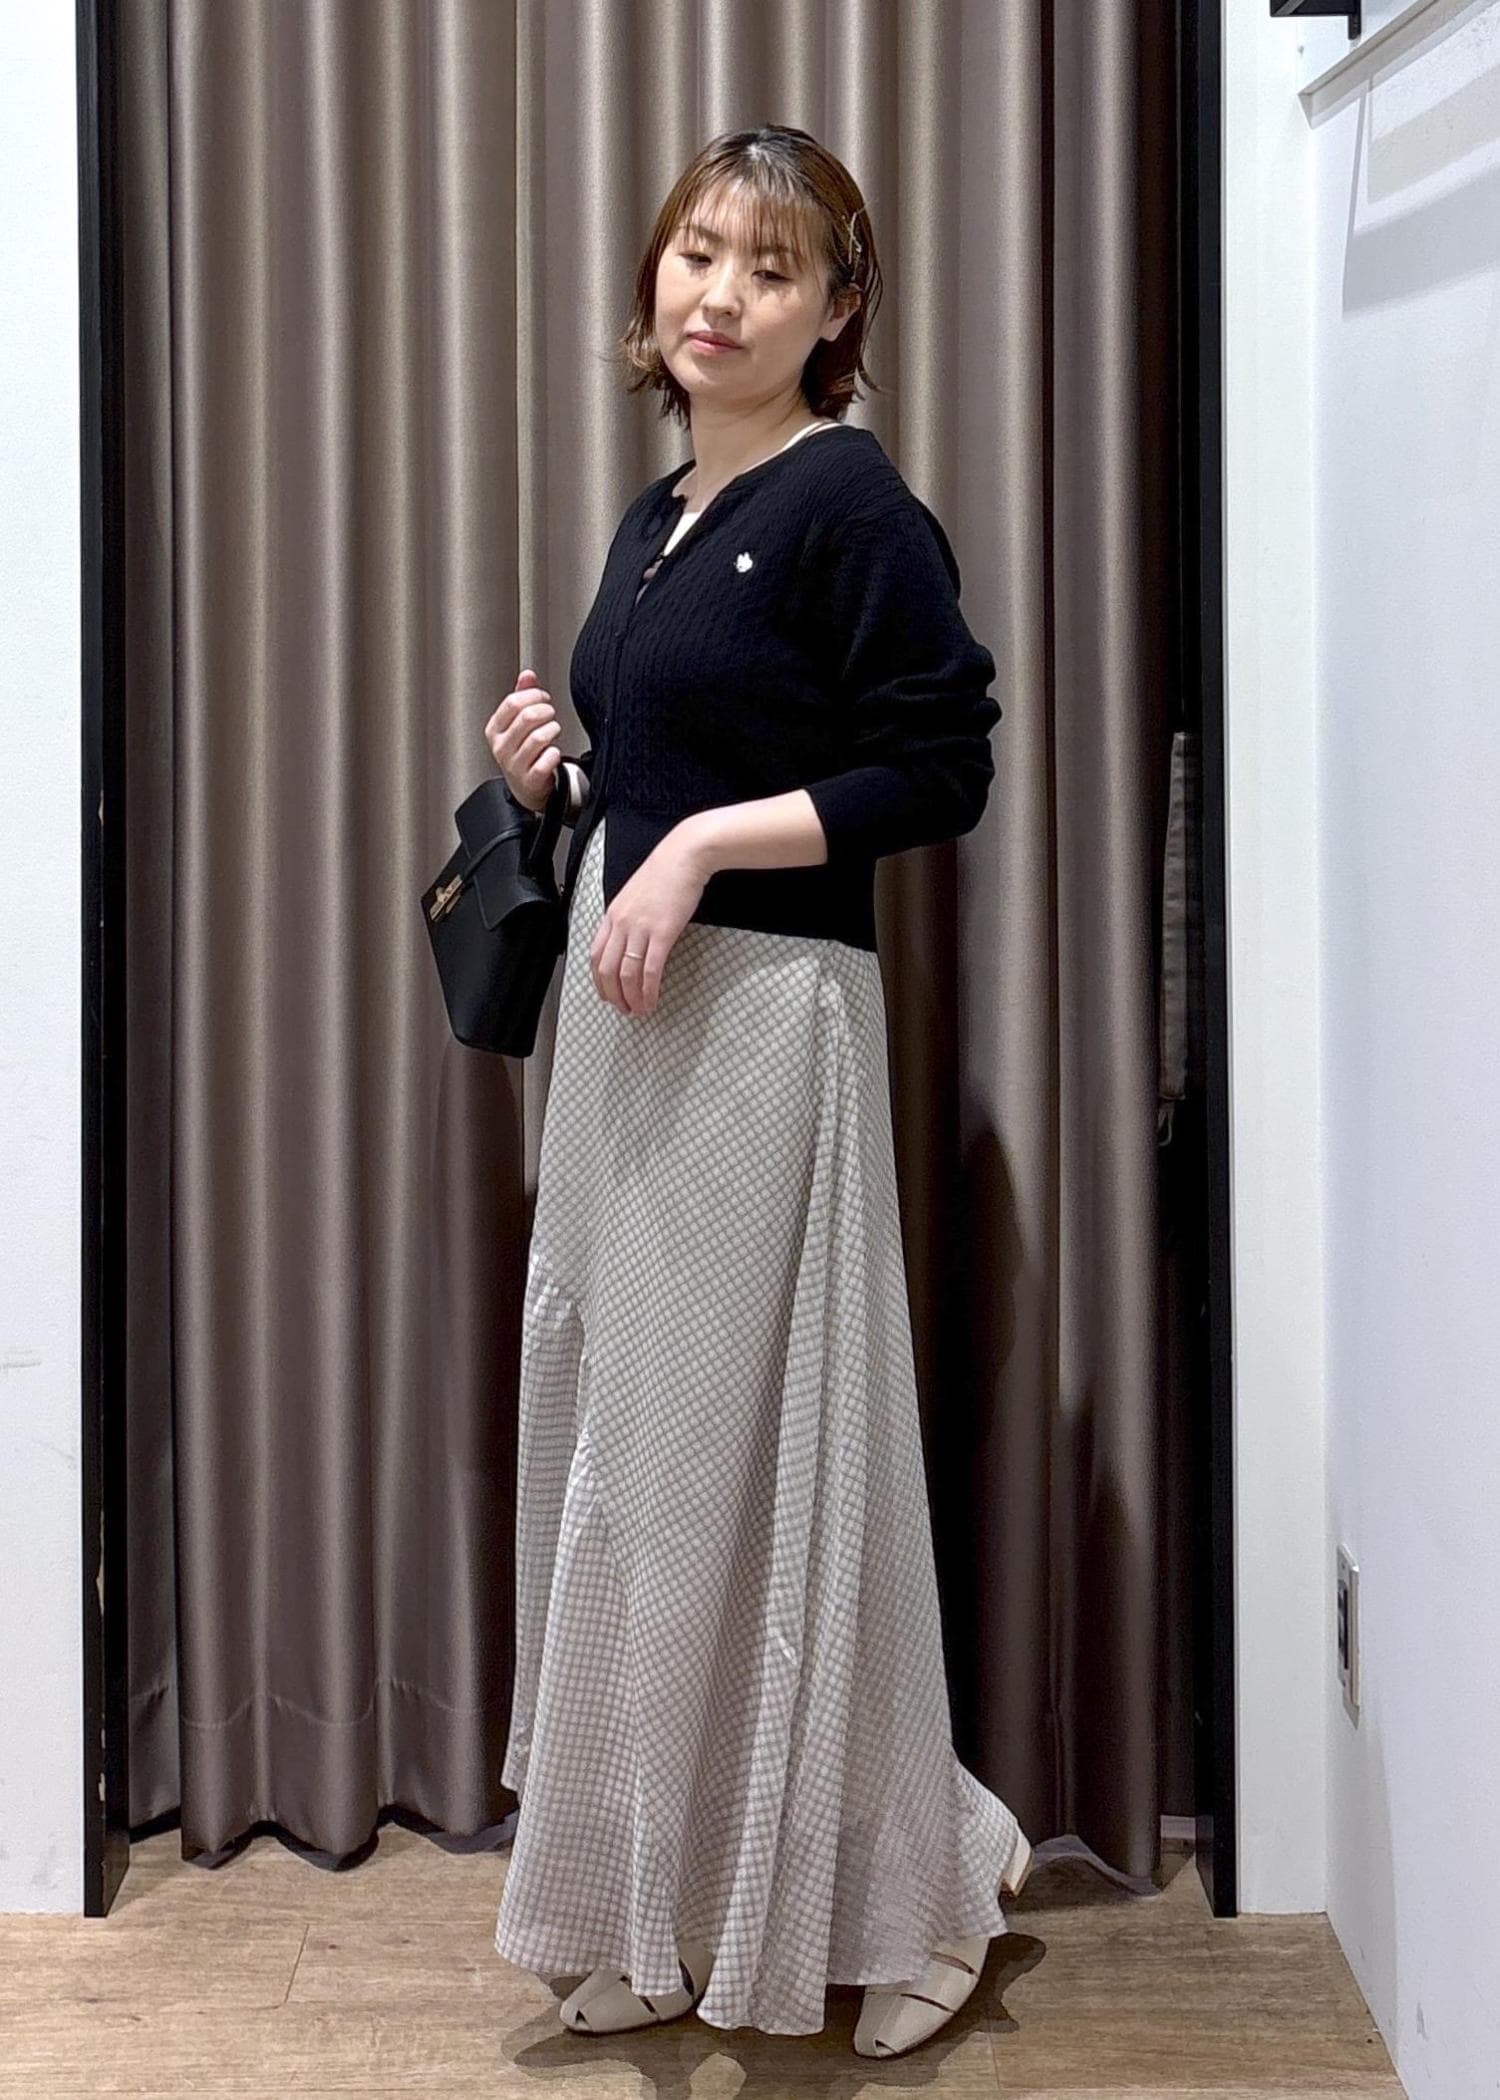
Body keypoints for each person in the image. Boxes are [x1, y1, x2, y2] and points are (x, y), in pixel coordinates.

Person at [486, 124, 1032, 2059]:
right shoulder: (657, 515)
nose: (719, 292)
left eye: (771, 267)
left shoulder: (848, 503)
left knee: (774, 1477)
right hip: (630, 1042)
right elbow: (663, 777)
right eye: (698, 252)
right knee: (638, 1480)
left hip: (764, 1032)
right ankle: (665, 1899)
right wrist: (567, 779)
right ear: (655, 279)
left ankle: (920, 1895)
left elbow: (942, 765)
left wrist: (706, 844)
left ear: (835, 311)